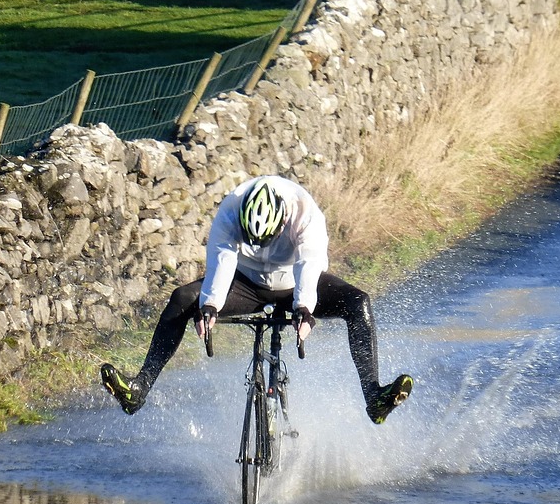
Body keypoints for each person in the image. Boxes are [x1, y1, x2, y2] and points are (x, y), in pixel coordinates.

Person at [100, 175, 413, 424]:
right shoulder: (231, 208)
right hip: (246, 284)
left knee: (359, 303)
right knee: (183, 298)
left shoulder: (305, 213)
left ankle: (373, 396)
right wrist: (209, 306)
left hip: (295, 285)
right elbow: (221, 261)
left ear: (283, 220)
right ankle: (139, 389)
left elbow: (309, 263)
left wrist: (304, 309)